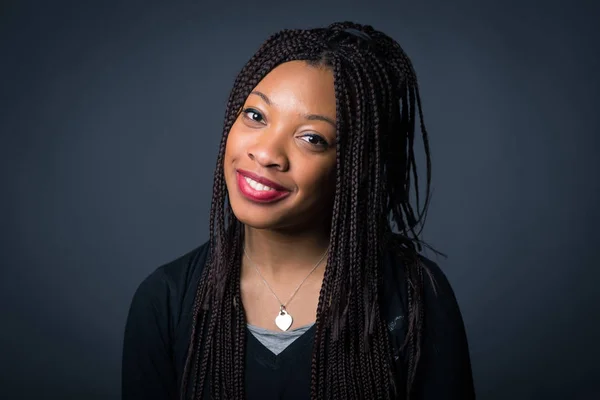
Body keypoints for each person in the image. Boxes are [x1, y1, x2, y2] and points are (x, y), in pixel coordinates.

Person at [122, 21, 475, 399]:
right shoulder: (165, 300)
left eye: (312, 138)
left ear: (354, 165)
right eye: (256, 116)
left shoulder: (414, 296)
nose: (267, 154)